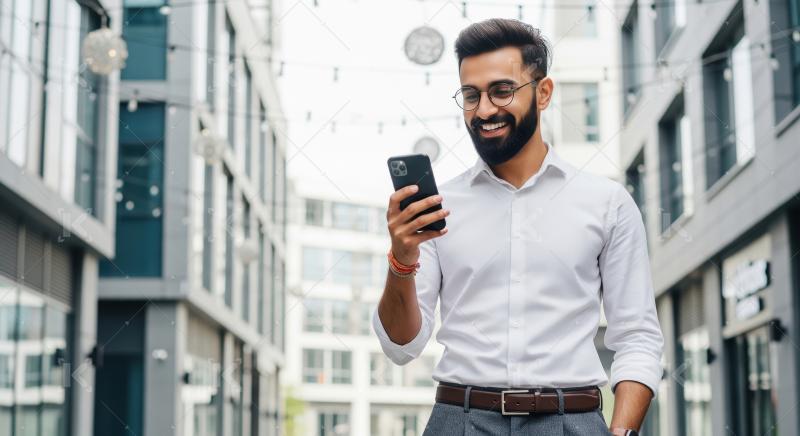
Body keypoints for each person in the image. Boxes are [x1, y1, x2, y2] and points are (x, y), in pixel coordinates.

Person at [373, 18, 663, 436]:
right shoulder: (439, 207)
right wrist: (401, 260)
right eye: (471, 95)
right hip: (460, 421)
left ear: (543, 93)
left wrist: (622, 432)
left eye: (502, 90)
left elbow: (637, 338)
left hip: (571, 421)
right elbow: (402, 347)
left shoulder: (607, 203)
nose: (484, 110)